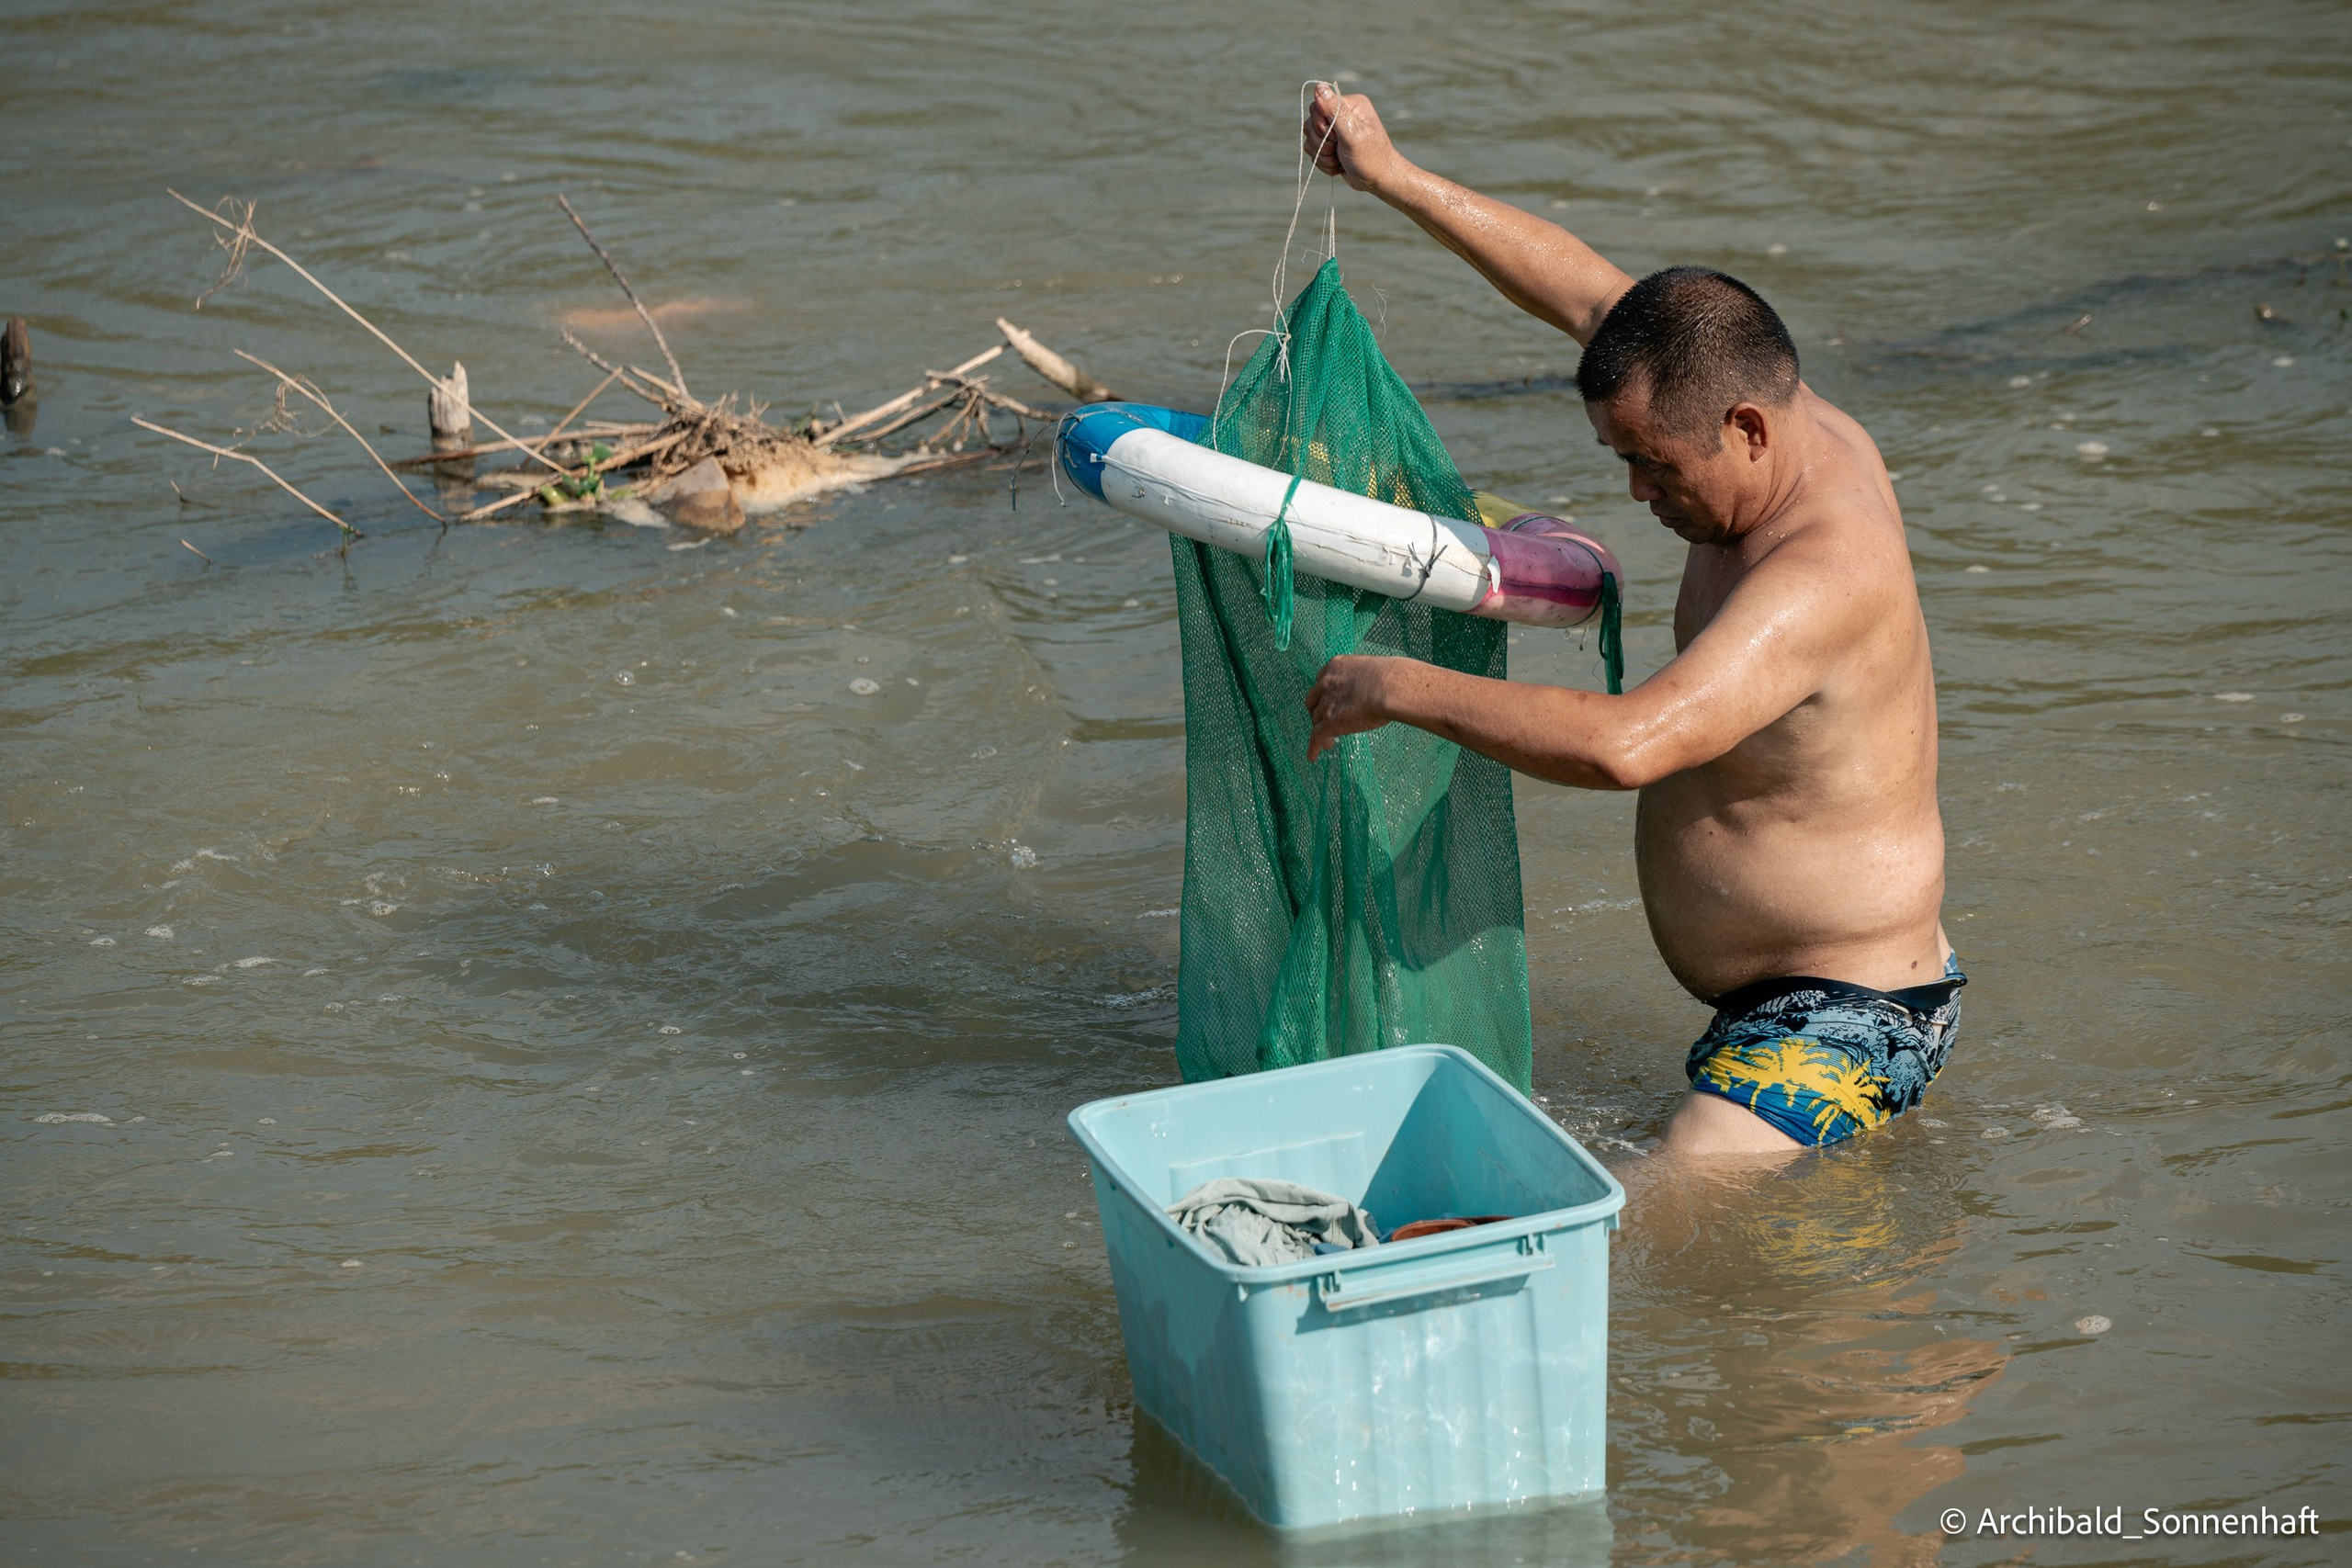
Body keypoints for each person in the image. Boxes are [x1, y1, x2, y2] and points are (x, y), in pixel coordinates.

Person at [1297, 85, 1960, 1156]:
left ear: (1743, 427)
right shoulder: (1775, 419)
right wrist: (1390, 174)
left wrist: (1394, 684)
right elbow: (1586, 290)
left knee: (1664, 1219)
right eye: (1624, 462)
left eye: (1655, 465)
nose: (1641, 495)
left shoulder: (1820, 576)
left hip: (1849, 1011)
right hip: (1801, 982)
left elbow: (1627, 746)